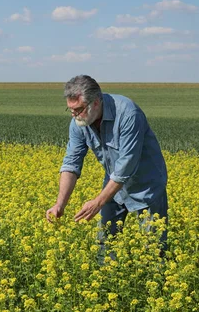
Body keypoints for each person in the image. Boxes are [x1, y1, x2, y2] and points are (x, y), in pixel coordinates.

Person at [45, 75, 168, 261]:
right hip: (113, 185)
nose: (74, 115)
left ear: (95, 103)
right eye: (70, 110)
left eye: (78, 110)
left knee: (152, 248)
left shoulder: (128, 114)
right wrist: (60, 204)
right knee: (105, 242)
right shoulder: (79, 123)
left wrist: (98, 202)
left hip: (146, 186)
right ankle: (107, 279)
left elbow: (126, 166)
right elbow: (71, 162)